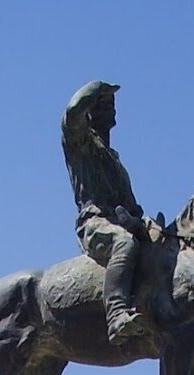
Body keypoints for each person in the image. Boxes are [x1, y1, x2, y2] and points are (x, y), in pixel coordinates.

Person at [61, 80, 151, 343]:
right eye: (105, 106)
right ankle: (116, 314)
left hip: (122, 221)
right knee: (124, 244)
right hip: (95, 223)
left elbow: (131, 205)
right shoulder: (80, 144)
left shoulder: (114, 159)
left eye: (113, 107)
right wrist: (96, 88)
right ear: (91, 111)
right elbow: (71, 114)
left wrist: (142, 222)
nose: (112, 112)